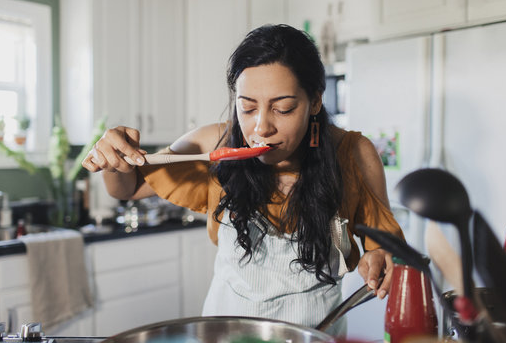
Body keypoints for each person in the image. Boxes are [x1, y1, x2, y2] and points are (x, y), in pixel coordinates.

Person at [82, 24, 404, 336]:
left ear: (315, 101)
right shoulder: (214, 145)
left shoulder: (354, 155)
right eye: (247, 108)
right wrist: (115, 162)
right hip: (226, 334)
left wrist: (377, 257)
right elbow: (130, 187)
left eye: (284, 109)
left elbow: (382, 244)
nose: (261, 128)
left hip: (315, 334)